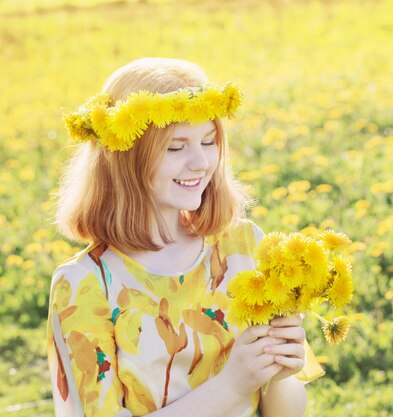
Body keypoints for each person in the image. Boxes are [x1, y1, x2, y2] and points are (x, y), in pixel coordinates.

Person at [47, 57, 324, 417]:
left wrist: (280, 373)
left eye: (208, 141)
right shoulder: (84, 284)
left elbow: (285, 410)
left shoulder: (242, 247)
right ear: (124, 157)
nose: (200, 163)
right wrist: (232, 385)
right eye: (176, 148)